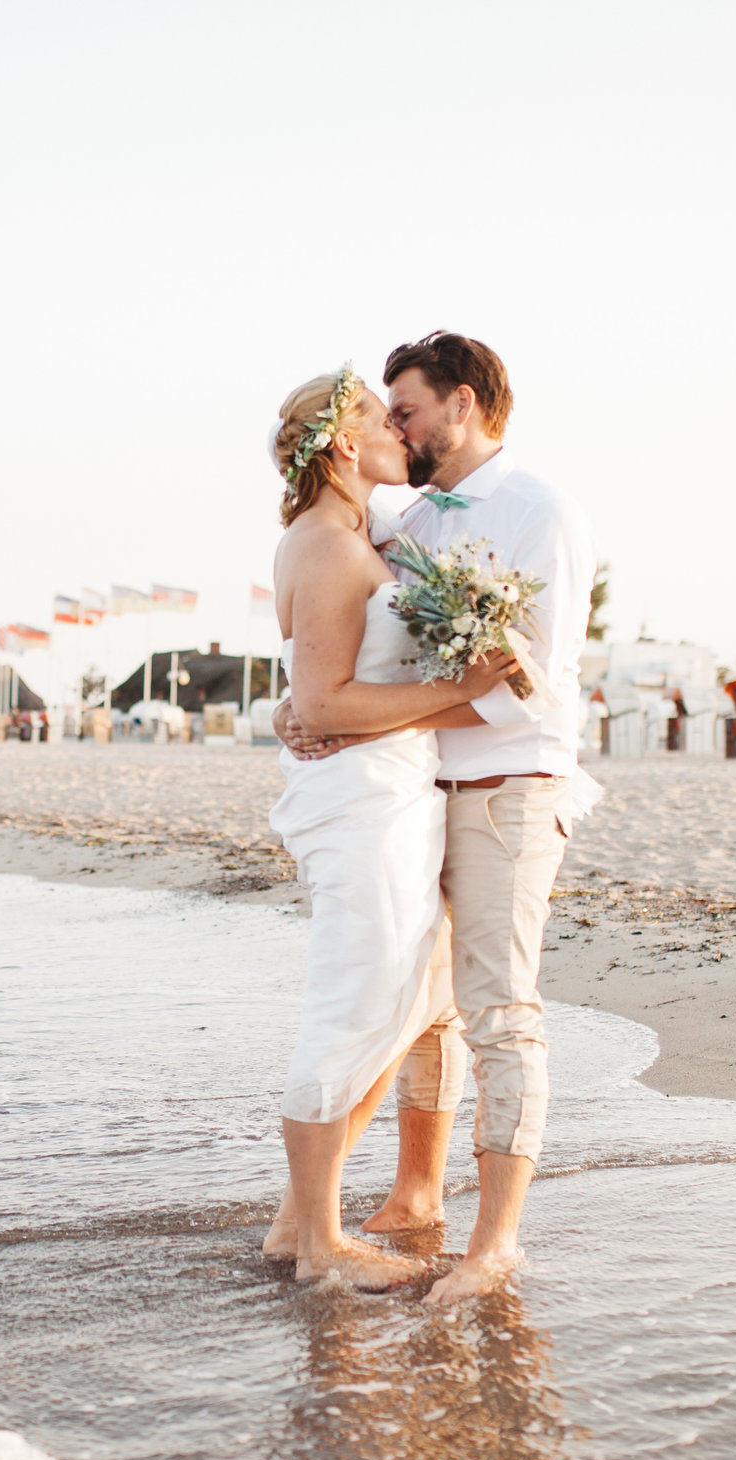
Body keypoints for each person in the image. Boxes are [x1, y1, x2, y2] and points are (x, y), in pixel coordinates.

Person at [276, 331, 602, 1307]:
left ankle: (493, 1244)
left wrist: (344, 712)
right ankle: (409, 1193)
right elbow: (339, 643)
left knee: (498, 1009)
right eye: (384, 412)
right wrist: (299, 709)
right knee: (422, 1010)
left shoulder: (538, 511)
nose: (398, 424)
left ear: (462, 405)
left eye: (407, 407)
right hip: (412, 791)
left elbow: (528, 686)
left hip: (505, 783)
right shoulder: (402, 522)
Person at [261, 364, 516, 1291]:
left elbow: (321, 698)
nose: (397, 432)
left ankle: (301, 1224)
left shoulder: (356, 532)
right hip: (362, 802)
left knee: (403, 996)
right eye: (378, 418)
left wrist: (461, 694)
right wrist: (461, 689)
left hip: (390, 791)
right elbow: (326, 701)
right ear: (340, 442)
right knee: (352, 998)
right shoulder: (328, 544)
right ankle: (320, 1242)